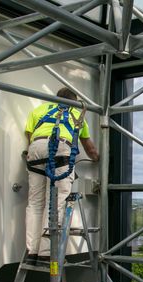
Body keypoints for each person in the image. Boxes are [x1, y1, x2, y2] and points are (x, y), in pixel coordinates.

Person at [24, 87, 99, 265]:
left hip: (36, 148)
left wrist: (39, 155)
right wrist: (98, 159)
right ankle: (46, 253)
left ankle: (31, 251)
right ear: (73, 100)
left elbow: (29, 134)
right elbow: (90, 149)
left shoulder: (39, 110)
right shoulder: (76, 114)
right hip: (60, 150)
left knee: (34, 203)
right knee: (56, 202)